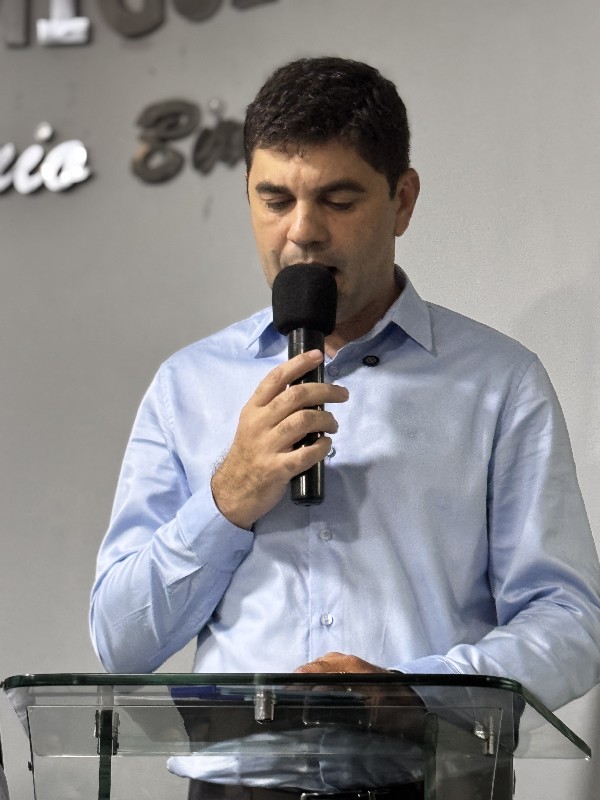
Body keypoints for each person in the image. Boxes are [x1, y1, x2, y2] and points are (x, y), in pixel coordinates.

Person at [90, 57, 600, 720]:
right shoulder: (186, 385)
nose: (302, 230)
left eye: (337, 200)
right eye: (275, 200)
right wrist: (228, 496)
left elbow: (569, 622)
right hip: (241, 771)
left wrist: (419, 692)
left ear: (402, 201)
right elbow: (120, 641)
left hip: (422, 769)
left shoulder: (498, 384)